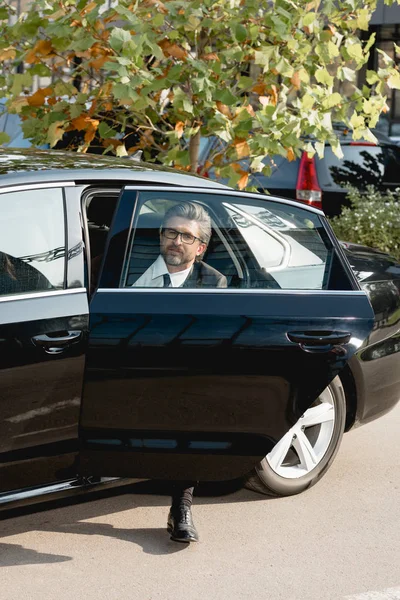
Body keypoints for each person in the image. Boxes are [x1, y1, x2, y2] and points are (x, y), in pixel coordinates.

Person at [133, 201, 227, 543]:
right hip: (123, 364)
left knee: (192, 405)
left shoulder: (213, 282)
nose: (176, 241)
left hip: (178, 373)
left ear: (200, 248)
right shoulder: (127, 268)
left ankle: (182, 506)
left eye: (186, 236)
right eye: (171, 232)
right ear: (161, 236)